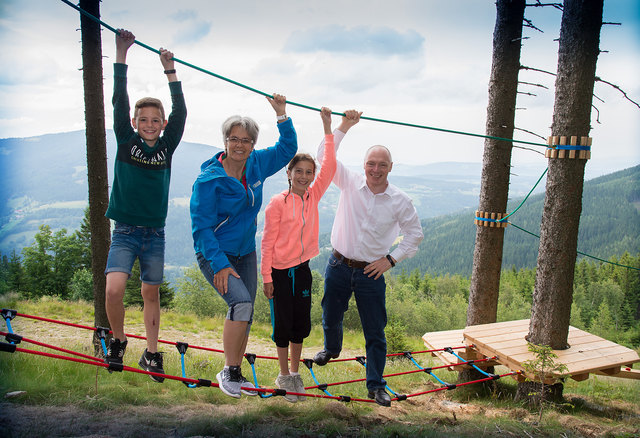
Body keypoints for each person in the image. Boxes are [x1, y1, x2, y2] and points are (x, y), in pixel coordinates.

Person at [312, 111, 424, 407]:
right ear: (364, 166)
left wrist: (391, 259)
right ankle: (331, 349)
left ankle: (375, 385)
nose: (376, 169)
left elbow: (415, 235)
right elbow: (325, 155)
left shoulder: (400, 200)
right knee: (330, 315)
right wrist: (344, 126)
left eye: (382, 165)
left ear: (390, 168)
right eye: (371, 164)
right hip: (337, 264)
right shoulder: (349, 182)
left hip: (371, 274)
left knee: (375, 331)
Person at [190, 94, 297, 398]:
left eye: (246, 140)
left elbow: (287, 148)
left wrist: (281, 115)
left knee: (246, 311)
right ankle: (229, 371)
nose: (240, 145)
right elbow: (201, 229)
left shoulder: (257, 164)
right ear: (225, 141)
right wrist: (220, 264)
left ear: (252, 144)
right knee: (241, 304)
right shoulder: (208, 181)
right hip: (215, 254)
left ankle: (235, 372)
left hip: (245, 253)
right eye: (234, 139)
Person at [104, 30, 187, 382]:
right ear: (135, 123)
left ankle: (152, 354)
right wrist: (121, 53)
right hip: (124, 230)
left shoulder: (167, 146)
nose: (150, 124)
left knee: (150, 292)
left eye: (156, 120)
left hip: (155, 232)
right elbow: (118, 101)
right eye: (144, 120)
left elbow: (181, 110)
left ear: (163, 125)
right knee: (113, 289)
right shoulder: (125, 140)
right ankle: (119, 340)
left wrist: (170, 70)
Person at [261, 107, 336, 403]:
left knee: (300, 324)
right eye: (299, 171)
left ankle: (294, 373)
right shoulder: (277, 203)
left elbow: (329, 166)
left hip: (302, 269)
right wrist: (266, 277)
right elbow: (267, 242)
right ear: (288, 173)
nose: (304, 177)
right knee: (282, 323)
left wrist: (328, 127)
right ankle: (282, 373)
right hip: (279, 273)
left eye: (309, 172)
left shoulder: (313, 196)